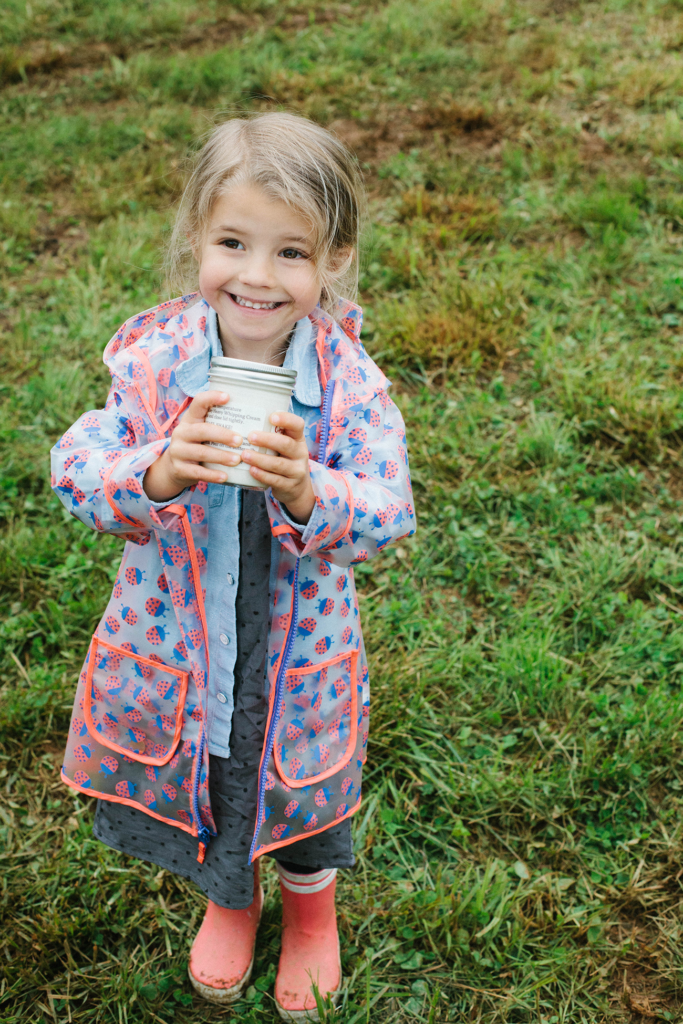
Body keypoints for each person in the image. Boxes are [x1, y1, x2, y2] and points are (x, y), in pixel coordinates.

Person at [51, 112, 415, 1021]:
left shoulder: (348, 381)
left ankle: (310, 910)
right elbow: (77, 469)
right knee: (213, 766)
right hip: (182, 640)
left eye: (290, 252)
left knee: (300, 776)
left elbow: (387, 512)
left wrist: (308, 492)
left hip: (297, 654)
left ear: (332, 261)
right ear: (196, 240)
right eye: (232, 242)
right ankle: (230, 898)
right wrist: (159, 470)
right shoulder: (153, 362)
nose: (256, 276)